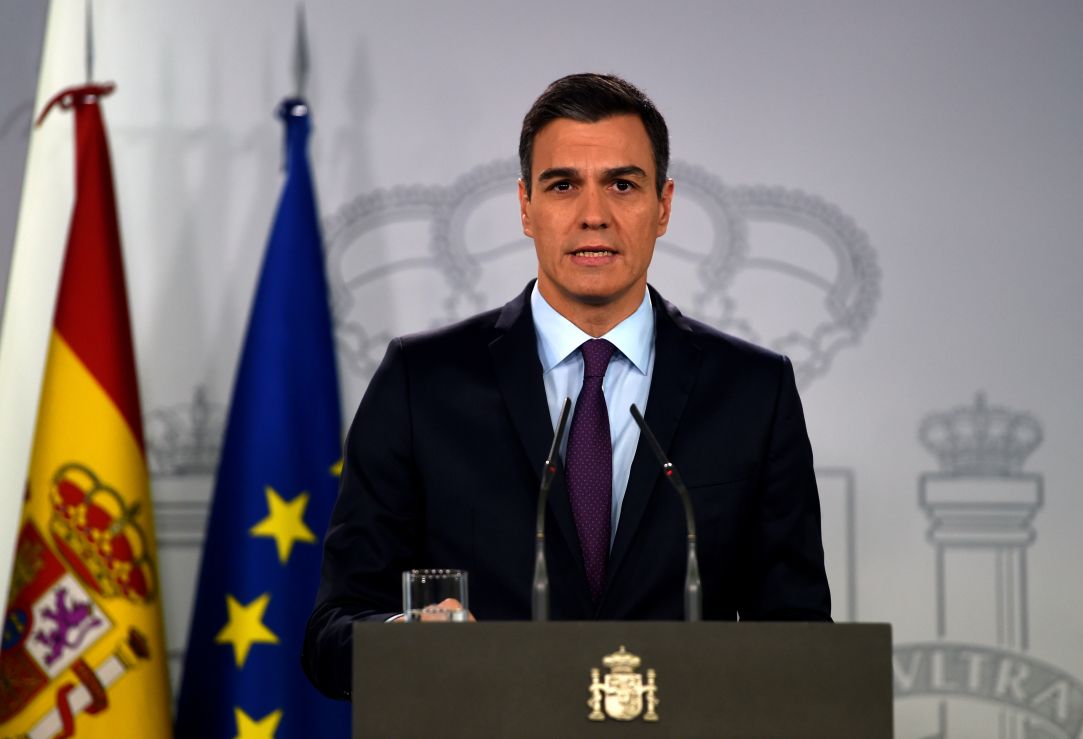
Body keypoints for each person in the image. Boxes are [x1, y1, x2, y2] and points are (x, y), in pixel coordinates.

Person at [302, 73, 831, 700]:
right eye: (562, 185)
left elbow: (801, 641)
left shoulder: (752, 392)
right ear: (526, 207)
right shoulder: (423, 383)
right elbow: (333, 629)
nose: (593, 216)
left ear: (663, 207)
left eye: (622, 184)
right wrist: (406, 639)